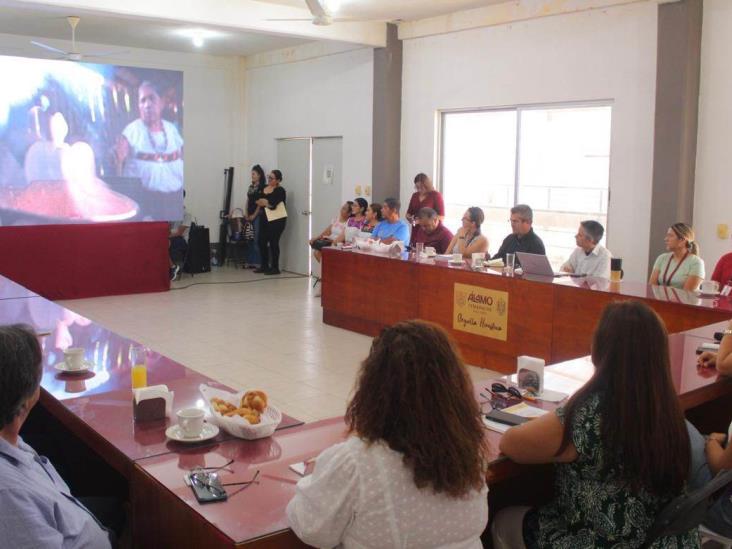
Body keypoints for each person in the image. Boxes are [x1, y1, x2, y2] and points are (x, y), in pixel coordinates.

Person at [492, 301, 698, 548]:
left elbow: (512, 444)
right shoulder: (666, 407)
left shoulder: (588, 413)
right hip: (666, 541)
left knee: (504, 520)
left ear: (601, 350)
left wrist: (560, 415)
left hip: (600, 542)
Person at [286, 320, 489, 548]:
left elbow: (311, 529)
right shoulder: (470, 453)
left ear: (374, 391)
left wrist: (317, 477)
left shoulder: (356, 463)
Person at [0, 324, 114, 548]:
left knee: (117, 508)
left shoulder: (10, 438)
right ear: (27, 399)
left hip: (74, 519)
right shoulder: (8, 496)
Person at [115, 81, 184, 220]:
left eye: (152, 98)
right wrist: (119, 160)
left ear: (162, 103)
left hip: (174, 203)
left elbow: (183, 158)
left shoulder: (171, 129)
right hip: (146, 205)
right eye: (143, 100)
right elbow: (119, 169)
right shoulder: (130, 132)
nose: (147, 105)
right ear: (139, 106)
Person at [649, 223, 704, 292]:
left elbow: (687, 293)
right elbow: (652, 288)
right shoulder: (662, 258)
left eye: (670, 236)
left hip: (684, 302)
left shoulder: (696, 262)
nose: (666, 239)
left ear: (682, 240)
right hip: (661, 301)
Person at [254, 170, 286, 275]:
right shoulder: (264, 188)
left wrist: (266, 203)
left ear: (278, 180)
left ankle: (275, 267)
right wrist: (264, 202)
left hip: (277, 220)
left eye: (272, 178)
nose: (269, 179)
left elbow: (272, 205)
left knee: (273, 242)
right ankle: (264, 265)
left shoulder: (280, 190)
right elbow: (258, 201)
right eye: (269, 177)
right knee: (261, 241)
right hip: (265, 218)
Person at [242, 164, 267, 269]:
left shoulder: (262, 187)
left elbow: (259, 204)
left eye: (254, 174)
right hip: (249, 215)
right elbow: (248, 200)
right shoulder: (251, 187)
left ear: (259, 175)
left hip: (258, 215)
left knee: (256, 238)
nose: (252, 176)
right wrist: (246, 213)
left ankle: (259, 262)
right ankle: (250, 261)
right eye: (251, 174)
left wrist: (254, 215)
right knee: (249, 237)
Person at [168, 190, 192, 280]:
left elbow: (179, 232)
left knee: (162, 243)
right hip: (171, 237)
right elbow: (167, 227)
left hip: (181, 240)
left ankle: (173, 267)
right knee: (158, 242)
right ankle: (171, 267)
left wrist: (166, 235)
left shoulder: (187, 214)